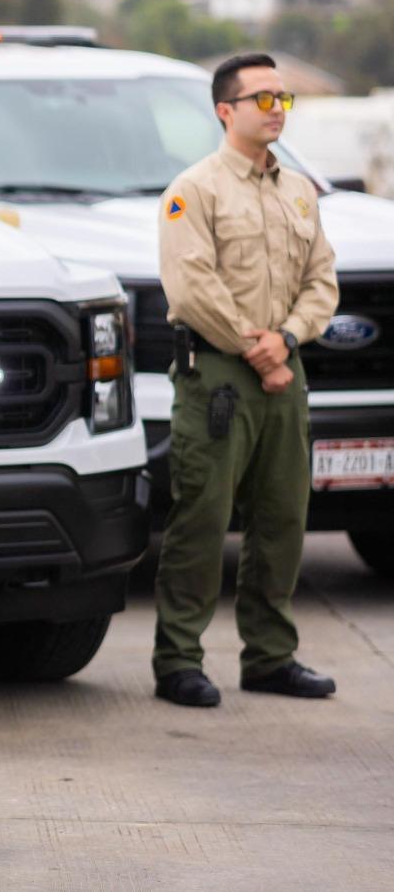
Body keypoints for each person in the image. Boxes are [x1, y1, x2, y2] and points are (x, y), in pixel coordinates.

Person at [153, 51, 340, 708]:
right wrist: (255, 348)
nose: (277, 109)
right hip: (220, 375)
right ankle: (178, 659)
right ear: (225, 110)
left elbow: (323, 279)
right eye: (263, 98)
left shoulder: (297, 190)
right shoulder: (194, 189)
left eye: (283, 98)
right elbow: (192, 284)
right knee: (204, 515)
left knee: (284, 516)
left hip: (285, 369)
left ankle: (270, 656)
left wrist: (286, 339)